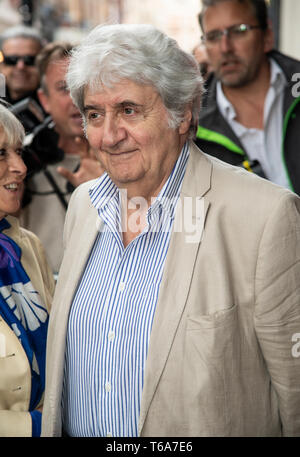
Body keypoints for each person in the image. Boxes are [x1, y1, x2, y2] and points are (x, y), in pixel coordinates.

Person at [42, 24, 300, 437]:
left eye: (128, 110)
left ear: (183, 114)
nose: (108, 136)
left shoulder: (264, 216)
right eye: (94, 115)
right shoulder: (84, 206)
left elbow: (295, 392)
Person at [195, 0, 300, 194]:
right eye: (214, 36)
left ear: (267, 35)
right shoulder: (193, 127)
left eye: (239, 30)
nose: (225, 47)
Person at [20, 41, 104, 276]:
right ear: (44, 100)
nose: (77, 98)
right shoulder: (23, 162)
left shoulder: (129, 158)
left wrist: (108, 189)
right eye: (64, 88)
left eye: (83, 86)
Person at [0, 102, 55, 437]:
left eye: (19, 151)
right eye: (0, 154)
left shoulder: (26, 244)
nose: (20, 167)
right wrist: (42, 428)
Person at [0, 25, 44, 104]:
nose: (20, 66)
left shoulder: (56, 109)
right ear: (1, 65)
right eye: (12, 60)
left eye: (29, 60)